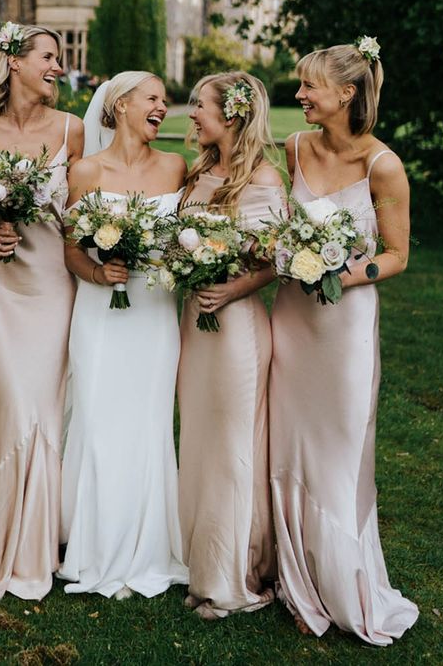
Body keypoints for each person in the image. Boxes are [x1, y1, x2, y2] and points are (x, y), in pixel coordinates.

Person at [269, 39, 419, 644]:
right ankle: (297, 579)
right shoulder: (294, 147)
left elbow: (398, 255)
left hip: (345, 327)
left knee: (340, 450)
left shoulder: (383, 165)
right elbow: (278, 222)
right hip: (292, 321)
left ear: (347, 93)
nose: (299, 95)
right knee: (291, 441)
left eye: (309, 86)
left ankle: (344, 583)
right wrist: (292, 260)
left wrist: (335, 272)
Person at [0, 24, 84, 600]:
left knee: (47, 409)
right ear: (13, 62)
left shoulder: (73, 131)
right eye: (49, 57)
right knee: (11, 402)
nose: (59, 66)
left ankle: (43, 535)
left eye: (59, 58)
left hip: (54, 284)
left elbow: (85, 214)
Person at [58, 71, 189, 599]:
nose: (163, 107)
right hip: (100, 312)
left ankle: (150, 545)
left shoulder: (176, 167)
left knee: (149, 420)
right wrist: (98, 273)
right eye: (153, 99)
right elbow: (71, 251)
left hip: (155, 313)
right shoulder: (85, 171)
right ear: (121, 105)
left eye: (165, 100)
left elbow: (186, 237)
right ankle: (93, 545)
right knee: (98, 417)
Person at [177, 72, 285, 620]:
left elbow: (273, 262)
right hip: (194, 328)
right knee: (198, 440)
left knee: (232, 444)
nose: (192, 114)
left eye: (202, 106)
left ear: (234, 114)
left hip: (237, 326)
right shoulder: (198, 171)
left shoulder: (262, 178)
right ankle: (198, 559)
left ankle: (231, 576)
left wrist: (232, 287)